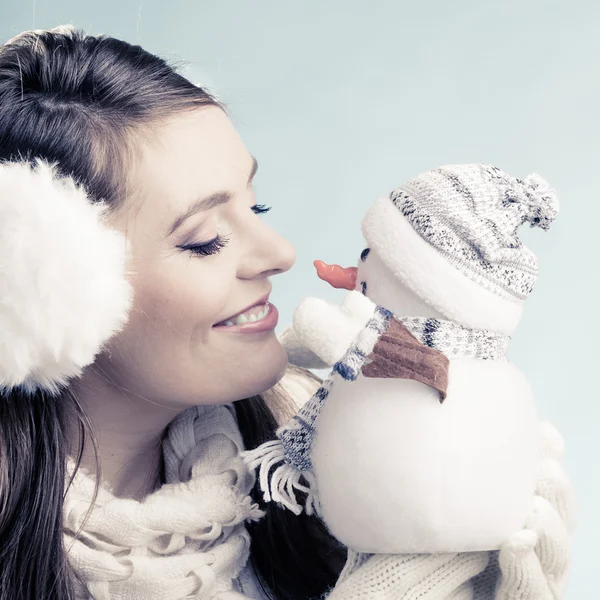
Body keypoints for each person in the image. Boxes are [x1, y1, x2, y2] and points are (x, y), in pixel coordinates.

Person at [0, 25, 573, 600]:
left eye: (257, 204)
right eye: (205, 239)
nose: (281, 253)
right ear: (42, 289)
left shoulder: (324, 448)